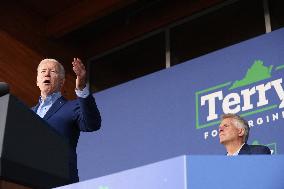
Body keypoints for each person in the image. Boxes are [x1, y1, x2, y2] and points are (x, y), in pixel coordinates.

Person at [32, 58, 101, 183]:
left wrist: (81, 88)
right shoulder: (27, 113)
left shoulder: (72, 107)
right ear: (37, 81)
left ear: (62, 81)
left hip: (60, 179)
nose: (47, 74)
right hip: (28, 179)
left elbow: (92, 124)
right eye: (43, 71)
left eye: (52, 71)